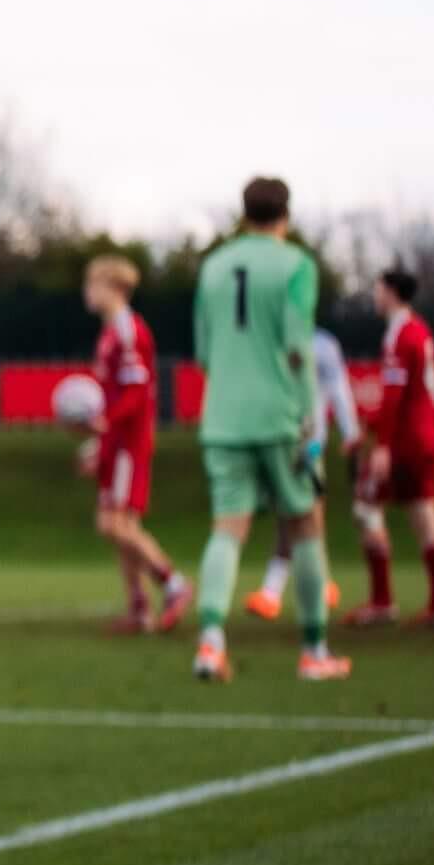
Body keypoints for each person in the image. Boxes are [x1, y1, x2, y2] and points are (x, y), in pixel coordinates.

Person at [187, 178, 343, 681]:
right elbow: (298, 347)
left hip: (222, 419)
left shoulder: (213, 266)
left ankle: (211, 644)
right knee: (306, 526)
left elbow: (204, 353)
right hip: (280, 416)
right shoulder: (296, 265)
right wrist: (308, 417)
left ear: (244, 213)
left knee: (227, 530)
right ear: (286, 215)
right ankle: (314, 651)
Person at [77, 257, 191, 633]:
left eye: (92, 284)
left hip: (129, 442)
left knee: (113, 523)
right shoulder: (110, 332)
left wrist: (106, 423)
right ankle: (139, 610)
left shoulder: (129, 331)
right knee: (121, 525)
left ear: (113, 288)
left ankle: (173, 584)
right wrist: (98, 444)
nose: (87, 292)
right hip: (114, 442)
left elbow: (137, 391)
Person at [345, 268, 434, 628]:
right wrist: (369, 429)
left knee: (365, 506)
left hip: (404, 441)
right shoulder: (420, 329)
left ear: (391, 292)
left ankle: (382, 601)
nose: (375, 295)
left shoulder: (401, 334)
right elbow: (430, 394)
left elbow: (394, 395)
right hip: (424, 435)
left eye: (378, 289)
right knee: (424, 513)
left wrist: (382, 445)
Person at [247, 327, 354, 620]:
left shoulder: (322, 345)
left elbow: (339, 392)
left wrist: (350, 433)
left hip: (308, 445)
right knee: (296, 513)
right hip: (281, 441)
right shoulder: (274, 338)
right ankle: (315, 583)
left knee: (301, 513)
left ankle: (275, 591)